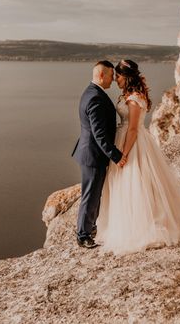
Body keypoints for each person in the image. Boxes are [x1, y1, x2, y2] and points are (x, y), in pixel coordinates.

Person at [95, 60, 180, 255]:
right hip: (125, 138)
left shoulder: (134, 98)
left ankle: (144, 227)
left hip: (132, 143)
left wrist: (123, 154)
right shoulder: (129, 95)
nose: (116, 80)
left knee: (136, 183)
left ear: (127, 77)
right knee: (128, 184)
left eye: (118, 76)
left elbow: (134, 128)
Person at [71, 60, 124, 248]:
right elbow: (99, 134)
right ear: (102, 75)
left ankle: (90, 227)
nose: (114, 80)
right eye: (111, 75)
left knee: (94, 193)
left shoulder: (93, 92)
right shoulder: (95, 97)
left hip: (91, 153)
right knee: (91, 195)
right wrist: (116, 155)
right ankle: (83, 235)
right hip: (93, 155)